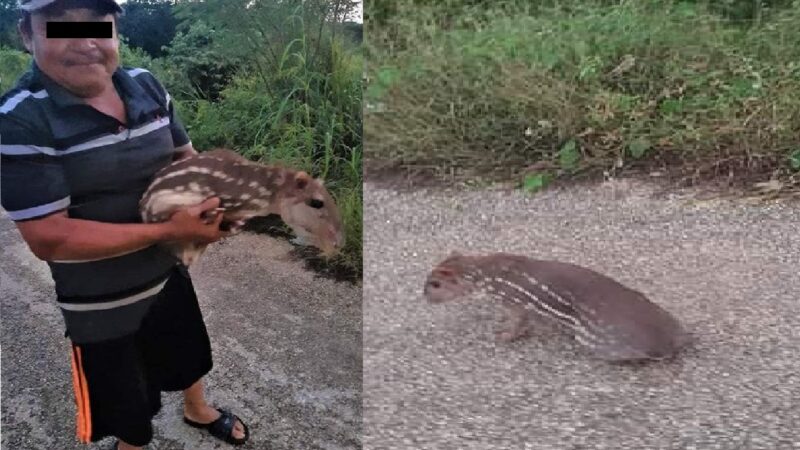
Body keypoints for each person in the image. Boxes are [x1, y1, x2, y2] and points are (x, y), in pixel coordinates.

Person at [0, 0, 250, 448]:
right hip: (100, 303)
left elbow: (184, 161)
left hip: (168, 270)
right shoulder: (18, 120)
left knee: (186, 353)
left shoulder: (145, 85)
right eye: (61, 28)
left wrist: (220, 204)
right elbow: (50, 238)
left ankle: (196, 409)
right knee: (125, 401)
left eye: (100, 26)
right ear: (26, 34)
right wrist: (172, 231)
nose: (86, 44)